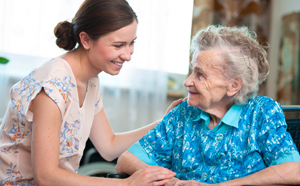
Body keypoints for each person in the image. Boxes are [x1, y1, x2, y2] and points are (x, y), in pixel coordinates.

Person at [0, 0, 180, 185]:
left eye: (131, 43)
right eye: (118, 45)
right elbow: (45, 177)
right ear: (85, 40)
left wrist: (165, 122)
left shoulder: (90, 79)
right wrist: (127, 183)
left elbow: (108, 146)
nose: (127, 55)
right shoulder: (52, 88)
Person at [115, 25, 300, 185]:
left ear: (233, 85)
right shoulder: (183, 113)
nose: (187, 82)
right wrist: (167, 180)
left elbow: (293, 170)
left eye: (200, 75)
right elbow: (125, 160)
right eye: (191, 71)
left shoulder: (261, 113)